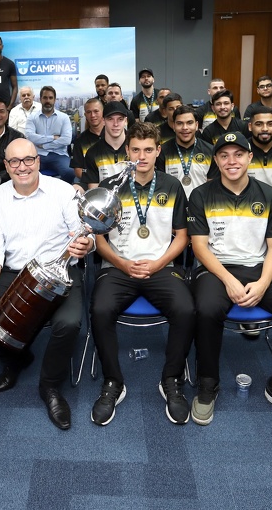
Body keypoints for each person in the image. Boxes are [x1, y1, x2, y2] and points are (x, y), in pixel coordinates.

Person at [0, 139, 93, 431]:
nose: (22, 167)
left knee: (69, 324)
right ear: (5, 166)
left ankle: (50, 387)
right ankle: (17, 358)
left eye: (28, 160)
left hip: (59, 271)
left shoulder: (62, 191)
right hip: (15, 272)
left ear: (38, 161)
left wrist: (86, 245)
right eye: (15, 162)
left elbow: (85, 233)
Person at [187, 132, 272, 429]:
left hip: (261, 267)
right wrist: (229, 280)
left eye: (238, 154)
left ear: (249, 158)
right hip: (216, 268)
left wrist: (261, 284)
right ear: (216, 161)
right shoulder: (201, 195)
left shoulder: (270, 195)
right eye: (224, 155)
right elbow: (199, 247)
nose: (231, 161)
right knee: (206, 309)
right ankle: (208, 382)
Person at [90, 122, 193, 426]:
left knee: (186, 309)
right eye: (136, 149)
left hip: (160, 267)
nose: (142, 156)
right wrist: (122, 264)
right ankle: (113, 382)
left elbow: (182, 236)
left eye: (149, 149)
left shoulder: (173, 186)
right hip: (118, 267)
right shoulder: (110, 186)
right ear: (127, 151)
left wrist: (159, 263)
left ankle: (171, 379)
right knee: (99, 309)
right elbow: (98, 238)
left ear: (159, 151)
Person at [158, 105, 212, 197]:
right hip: (173, 204)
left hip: (201, 205)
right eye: (180, 123)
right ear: (174, 126)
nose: (185, 128)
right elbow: (161, 184)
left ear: (196, 125)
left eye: (189, 123)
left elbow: (212, 185)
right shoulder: (162, 151)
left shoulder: (210, 150)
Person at [25, 85, 75, 183]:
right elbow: (30, 137)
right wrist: (53, 137)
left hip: (58, 154)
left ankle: (62, 195)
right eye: (45, 98)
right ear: (40, 99)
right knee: (26, 171)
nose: (48, 101)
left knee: (70, 172)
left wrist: (44, 145)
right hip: (37, 155)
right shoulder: (32, 117)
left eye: (50, 98)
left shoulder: (64, 117)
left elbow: (67, 139)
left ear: (55, 99)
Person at [81, 102, 130, 189]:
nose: (115, 124)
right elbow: (94, 190)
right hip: (105, 201)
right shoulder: (92, 153)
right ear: (103, 121)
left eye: (120, 119)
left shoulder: (136, 149)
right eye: (110, 119)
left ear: (125, 121)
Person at [71, 97, 104, 182]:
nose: (92, 115)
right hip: (89, 181)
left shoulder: (113, 136)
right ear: (85, 115)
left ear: (103, 113)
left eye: (96, 111)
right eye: (89, 112)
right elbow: (78, 170)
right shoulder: (80, 141)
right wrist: (95, 180)